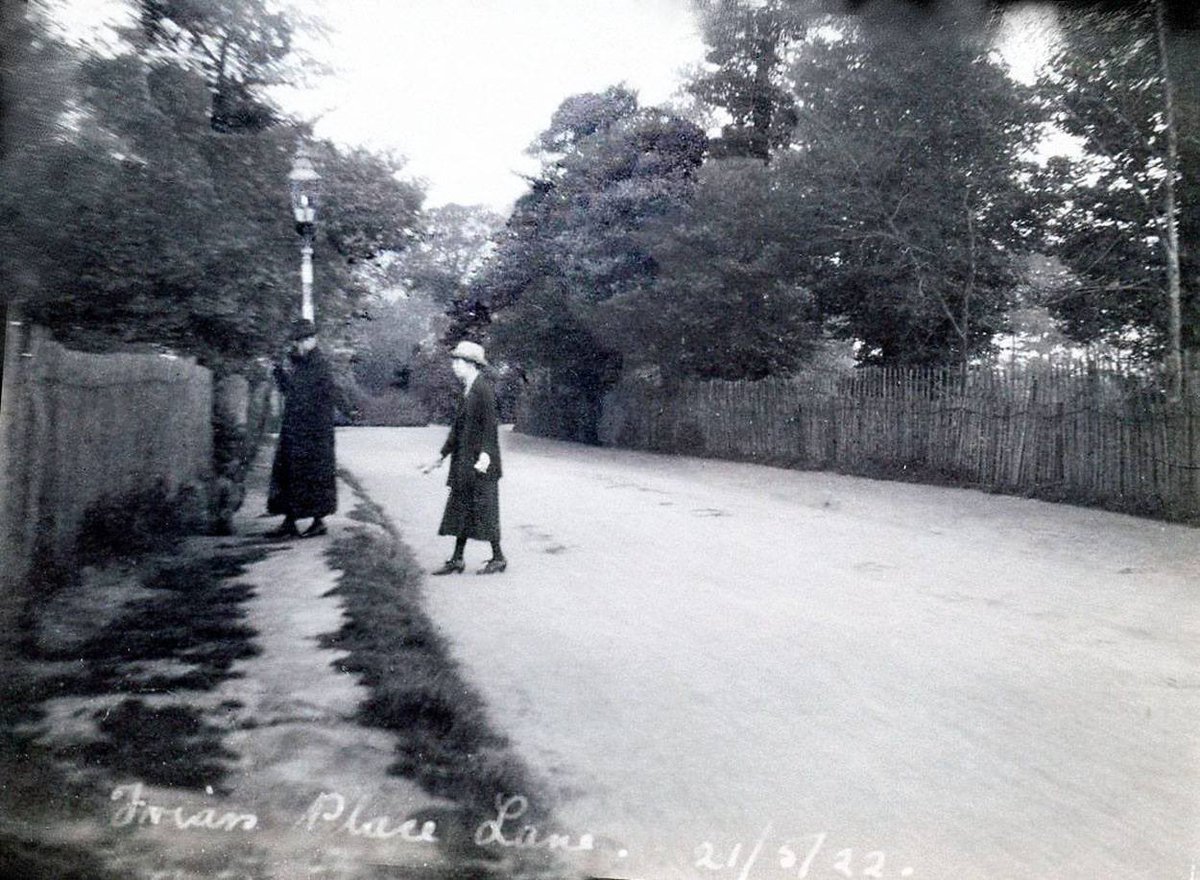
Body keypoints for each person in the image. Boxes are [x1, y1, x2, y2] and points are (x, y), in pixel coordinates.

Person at [422, 340, 505, 574]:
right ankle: (457, 559)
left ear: (471, 364)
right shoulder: (468, 391)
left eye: (458, 361)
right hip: (465, 464)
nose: (454, 365)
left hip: (481, 465)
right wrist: (439, 457)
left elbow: (490, 427)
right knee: (462, 509)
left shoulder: (483, 390)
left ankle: (498, 558)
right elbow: (457, 431)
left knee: (485, 511)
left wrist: (486, 456)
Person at [266, 319, 337, 538]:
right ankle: (290, 522)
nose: (296, 345)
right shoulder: (301, 363)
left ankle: (318, 522)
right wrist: (278, 372)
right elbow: (292, 391)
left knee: (313, 475)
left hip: (314, 431)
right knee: (290, 473)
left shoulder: (319, 364)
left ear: (312, 339)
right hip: (297, 429)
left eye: (301, 340)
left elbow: (311, 396)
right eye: (296, 341)